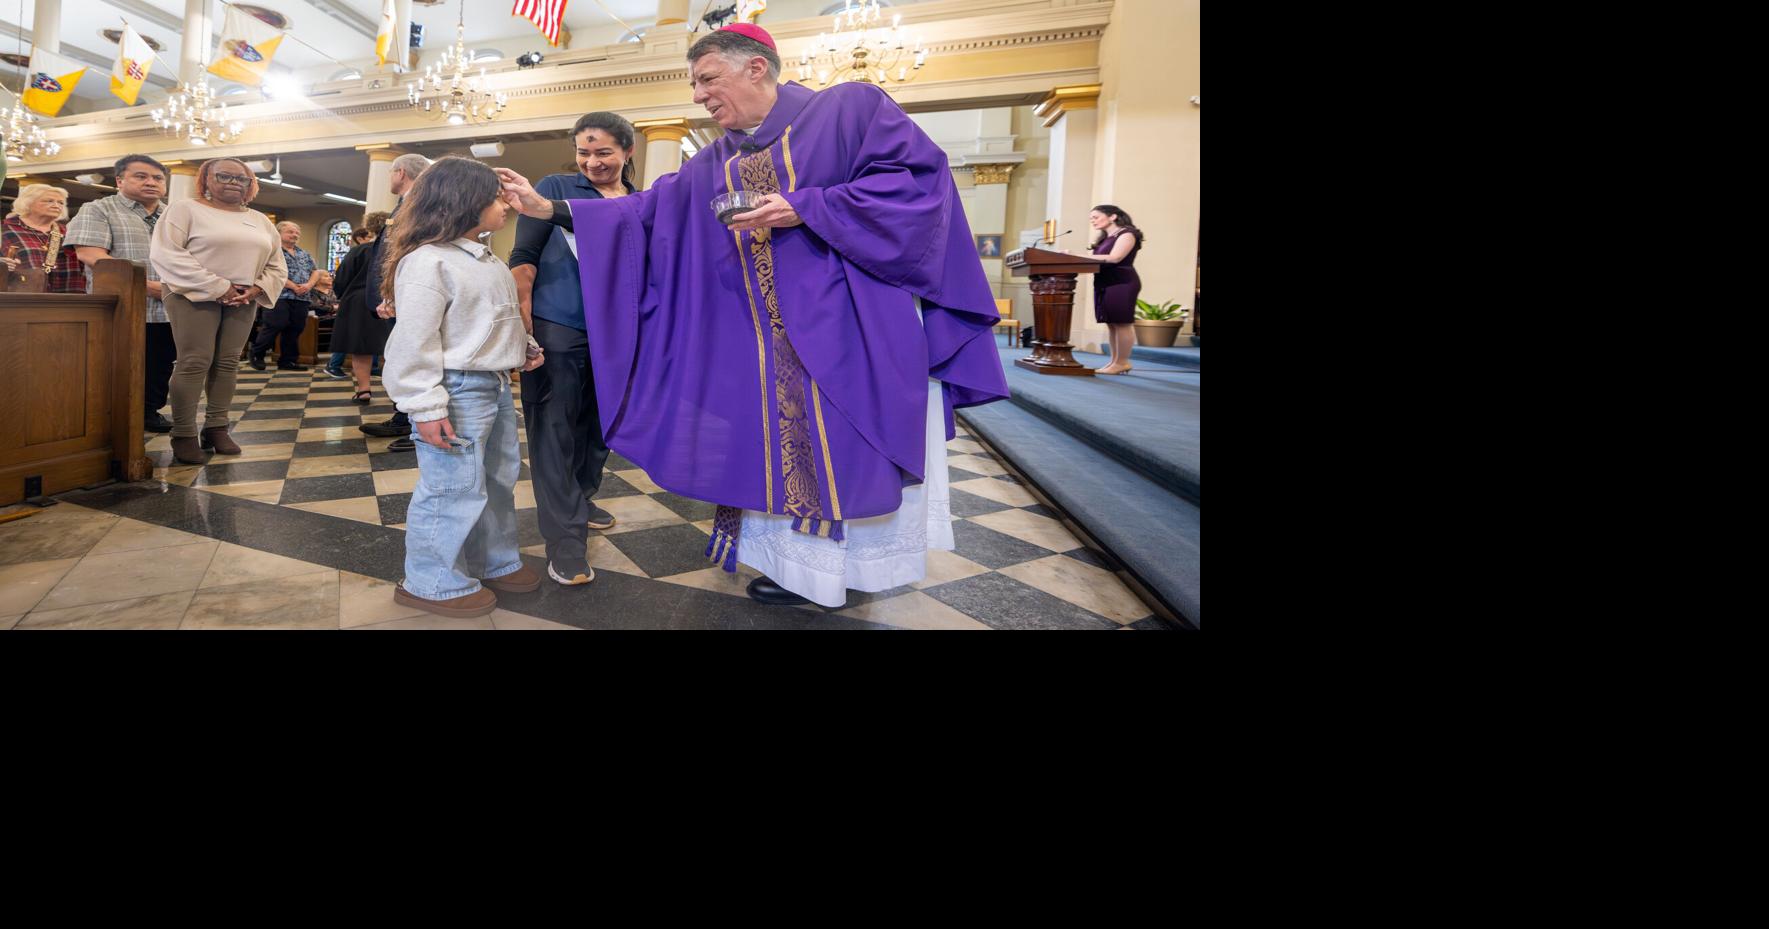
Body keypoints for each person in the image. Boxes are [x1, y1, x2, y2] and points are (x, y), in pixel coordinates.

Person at [495, 23, 1009, 608]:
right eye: (695, 83)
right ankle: (800, 571)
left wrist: (807, 206)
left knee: (844, 446)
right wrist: (550, 207)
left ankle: (846, 571)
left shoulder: (848, 110)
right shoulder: (715, 159)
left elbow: (917, 185)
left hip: (850, 329)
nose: (698, 95)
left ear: (756, 68)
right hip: (761, 342)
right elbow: (647, 211)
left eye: (708, 79)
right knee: (770, 445)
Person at [379, 156, 546, 618]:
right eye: (496, 196)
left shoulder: (485, 258)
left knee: (495, 481)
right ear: (464, 200)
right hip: (454, 390)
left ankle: (494, 560)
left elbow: (486, 320)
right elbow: (413, 342)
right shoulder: (428, 261)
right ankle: (429, 581)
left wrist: (521, 347)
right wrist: (425, 406)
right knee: (452, 487)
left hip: (491, 384)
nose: (507, 203)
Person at [507, 111, 634, 585]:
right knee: (555, 431)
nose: (593, 162)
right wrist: (524, 325)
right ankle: (565, 541)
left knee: (601, 427)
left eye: (603, 152)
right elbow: (523, 259)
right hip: (558, 325)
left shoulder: (639, 201)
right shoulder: (555, 187)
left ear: (627, 152)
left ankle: (581, 496)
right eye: (584, 152)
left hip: (619, 333)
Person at [150, 158, 288, 465]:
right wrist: (218, 286)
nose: (233, 182)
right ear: (206, 180)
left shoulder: (260, 219)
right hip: (192, 293)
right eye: (224, 176)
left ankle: (216, 427)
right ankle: (184, 433)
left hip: (244, 296)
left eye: (242, 179)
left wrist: (255, 288)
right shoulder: (184, 209)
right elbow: (167, 254)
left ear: (251, 185)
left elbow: (277, 264)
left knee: (227, 363)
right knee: (195, 361)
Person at [65, 154, 173, 433]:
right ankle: (110, 416)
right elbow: (91, 254)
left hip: (170, 308)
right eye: (141, 176)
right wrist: (148, 287)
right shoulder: (99, 209)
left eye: (158, 178)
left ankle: (149, 411)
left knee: (160, 364)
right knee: (119, 366)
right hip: (122, 307)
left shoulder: (174, 216)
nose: (151, 182)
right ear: (120, 180)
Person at [359, 154, 433, 454]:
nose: (390, 177)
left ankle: (419, 426)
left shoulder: (419, 203)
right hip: (394, 296)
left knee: (413, 360)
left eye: (391, 172)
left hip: (403, 297)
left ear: (400, 172)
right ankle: (404, 417)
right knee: (401, 359)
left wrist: (394, 294)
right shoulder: (405, 203)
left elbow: (408, 252)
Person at [327, 222, 391, 404]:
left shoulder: (360, 250)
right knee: (391, 348)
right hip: (390, 300)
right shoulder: (399, 250)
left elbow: (341, 278)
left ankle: (364, 390)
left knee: (360, 348)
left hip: (358, 301)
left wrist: (344, 295)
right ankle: (395, 395)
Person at [249, 221, 315, 371]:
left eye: (297, 232)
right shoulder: (272, 251)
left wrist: (309, 285)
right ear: (278, 234)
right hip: (279, 295)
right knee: (276, 324)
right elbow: (267, 271)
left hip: (302, 297)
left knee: (295, 328)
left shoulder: (303, 253)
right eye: (290, 232)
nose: (295, 235)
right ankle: (257, 352)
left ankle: (287, 361)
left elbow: (315, 271)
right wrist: (292, 285)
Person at [1088, 204, 1143, 375]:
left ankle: (1122, 362)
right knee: (1112, 324)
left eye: (1096, 217)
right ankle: (1114, 362)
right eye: (1091, 219)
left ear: (1112, 216)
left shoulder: (1127, 233)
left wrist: (1075, 256)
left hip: (1122, 282)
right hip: (1106, 281)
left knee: (1122, 323)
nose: (1093, 221)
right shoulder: (1105, 238)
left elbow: (1115, 257)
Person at [2, 184, 83, 293]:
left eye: (60, 203)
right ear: (28, 203)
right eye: (49, 201)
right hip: (21, 301)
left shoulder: (71, 233)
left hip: (69, 300)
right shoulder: (4, 230)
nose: (56, 205)